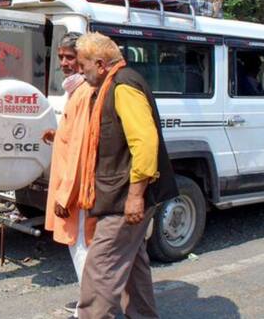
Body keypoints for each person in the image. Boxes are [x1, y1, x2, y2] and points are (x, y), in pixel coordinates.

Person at [74, 32, 178, 319]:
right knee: (132, 264)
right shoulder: (113, 84)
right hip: (120, 191)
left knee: (101, 267)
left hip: (125, 196)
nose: (80, 72)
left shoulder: (123, 86)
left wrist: (135, 196)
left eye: (83, 65)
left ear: (100, 63)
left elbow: (145, 142)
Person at [41, 33, 95, 318]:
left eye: (70, 57)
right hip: (69, 183)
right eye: (61, 57)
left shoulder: (84, 93)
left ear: (83, 60)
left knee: (81, 245)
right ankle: (91, 303)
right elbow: (73, 136)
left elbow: (80, 149)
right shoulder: (75, 90)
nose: (64, 62)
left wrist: (66, 194)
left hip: (75, 187)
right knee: (81, 245)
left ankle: (91, 309)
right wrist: (58, 133)